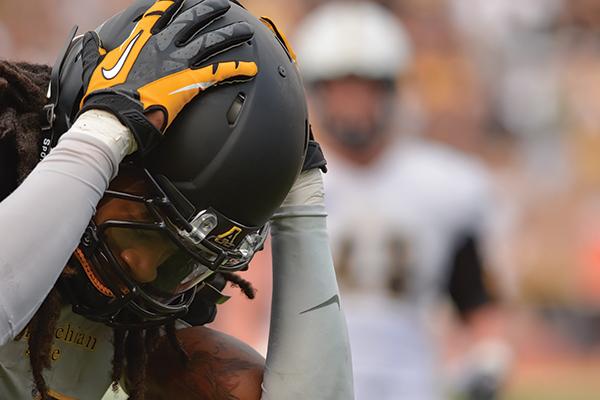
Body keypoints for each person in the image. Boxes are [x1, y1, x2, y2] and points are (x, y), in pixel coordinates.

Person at [0, 0, 353, 399]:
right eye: (140, 228)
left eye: (178, 259)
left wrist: (302, 204)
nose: (145, 270)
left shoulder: (149, 341)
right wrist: (98, 137)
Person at [294, 2, 511, 399]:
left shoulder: (445, 185)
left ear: (392, 89)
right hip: (311, 385)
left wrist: (488, 355)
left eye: (366, 89)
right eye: (342, 90)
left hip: (412, 385)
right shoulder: (288, 180)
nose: (354, 104)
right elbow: (250, 295)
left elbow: (474, 297)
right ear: (319, 93)